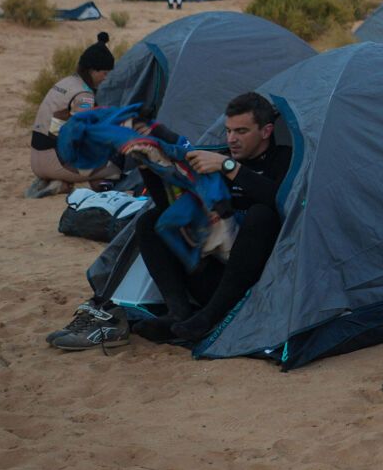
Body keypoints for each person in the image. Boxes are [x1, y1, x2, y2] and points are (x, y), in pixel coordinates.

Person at [46, 92, 291, 351]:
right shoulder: (215, 156)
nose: (232, 139)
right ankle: (178, 311)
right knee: (151, 220)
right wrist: (148, 165)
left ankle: (211, 317)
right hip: (211, 271)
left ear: (266, 131)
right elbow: (169, 207)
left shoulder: (282, 159)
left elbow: (282, 200)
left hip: (256, 282)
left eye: (241, 131)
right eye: (228, 130)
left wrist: (228, 166)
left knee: (261, 215)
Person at [27, 33, 121, 197]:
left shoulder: (66, 82)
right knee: (113, 170)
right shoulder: (84, 95)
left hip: (36, 158)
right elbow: (83, 134)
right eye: (105, 73)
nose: (107, 78)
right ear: (92, 70)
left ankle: (58, 183)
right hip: (54, 161)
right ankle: (99, 193)